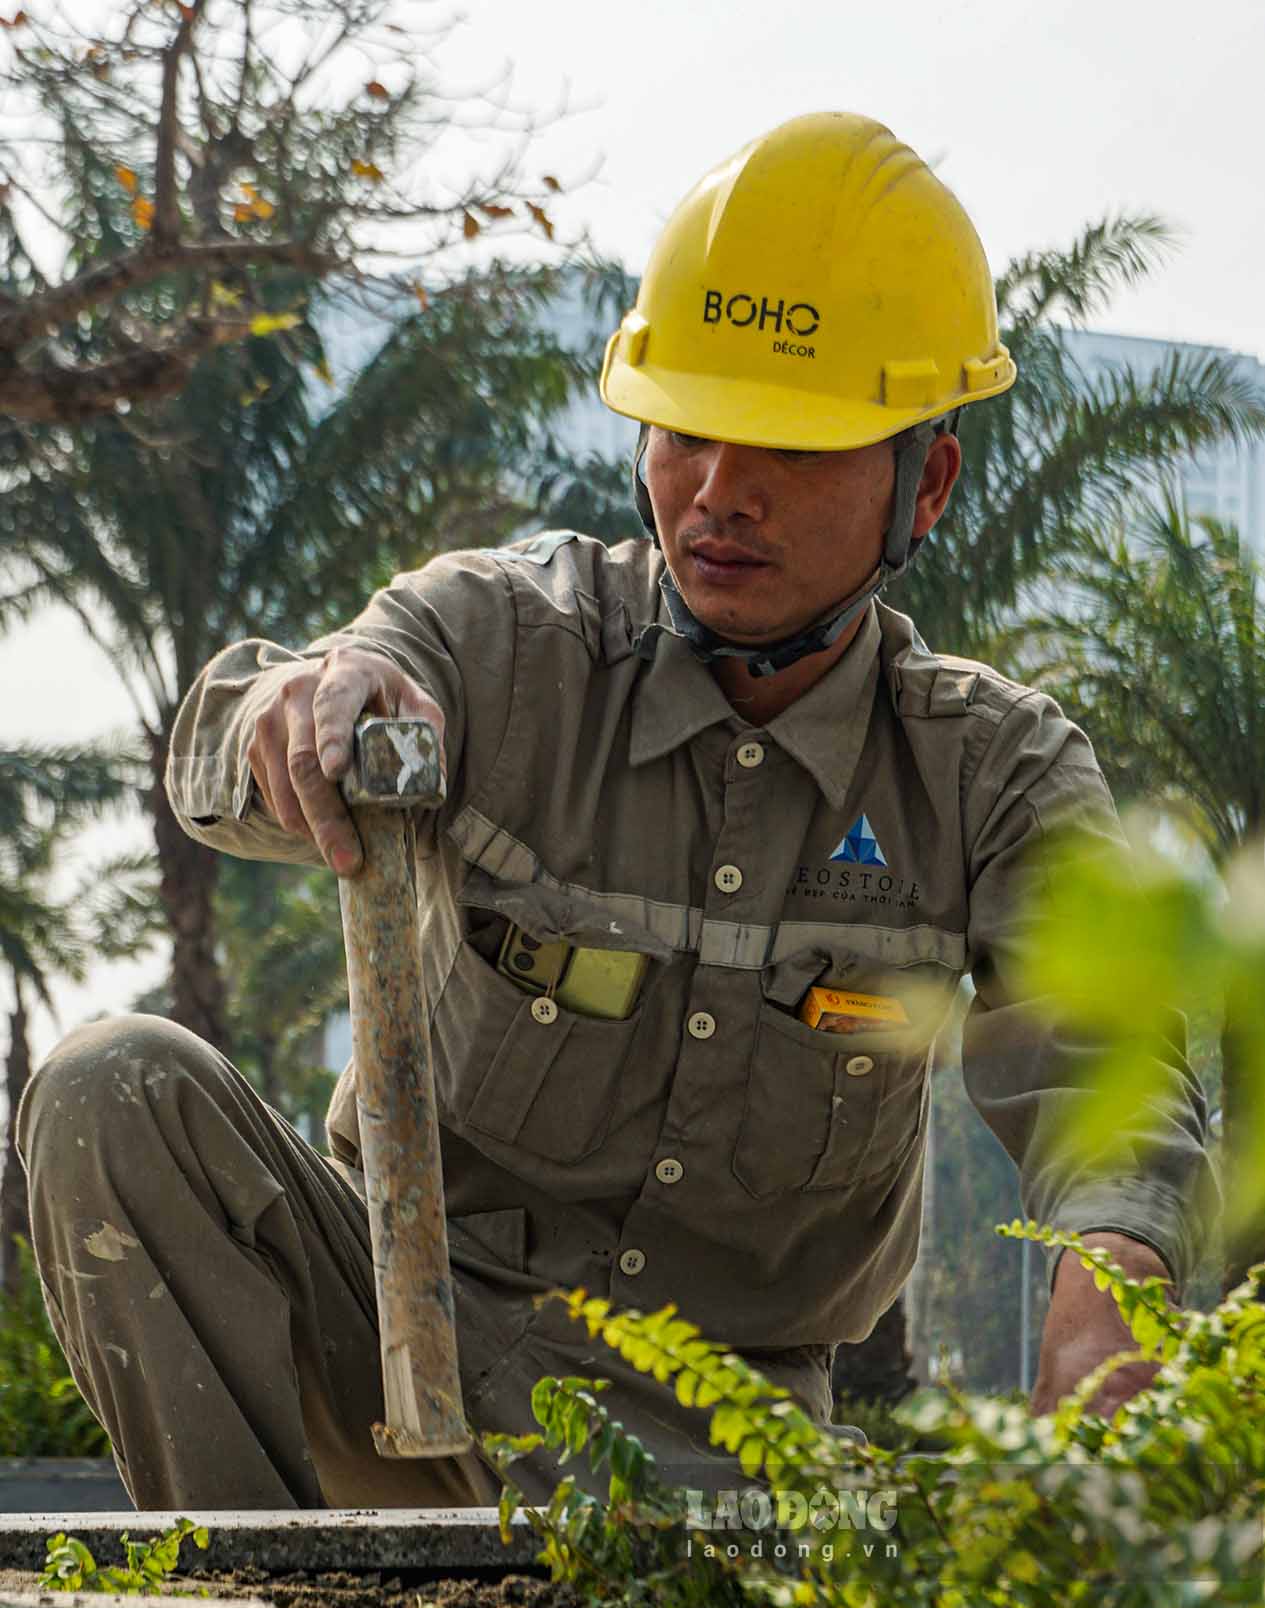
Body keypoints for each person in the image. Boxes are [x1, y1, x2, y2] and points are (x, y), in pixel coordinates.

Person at [18, 112, 1213, 1510]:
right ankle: (269, 1595)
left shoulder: (990, 775)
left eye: (790, 445)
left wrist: (1109, 1290)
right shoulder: (494, 639)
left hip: (716, 1460)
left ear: (926, 484)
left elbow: (1114, 1081)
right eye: (687, 429)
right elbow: (247, 747)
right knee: (112, 1084)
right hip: (384, 1358)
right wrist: (299, 706)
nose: (719, 491)